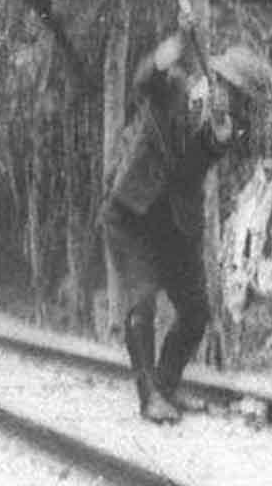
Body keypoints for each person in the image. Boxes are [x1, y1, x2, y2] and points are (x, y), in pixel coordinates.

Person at [102, 28, 262, 424]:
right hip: (132, 215)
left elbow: (194, 166)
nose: (230, 101)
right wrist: (167, 52)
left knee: (196, 312)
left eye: (239, 99)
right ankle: (148, 397)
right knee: (141, 302)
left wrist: (218, 139)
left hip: (175, 227)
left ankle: (166, 385)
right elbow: (145, 80)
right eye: (227, 88)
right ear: (212, 79)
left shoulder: (224, 130)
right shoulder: (171, 87)